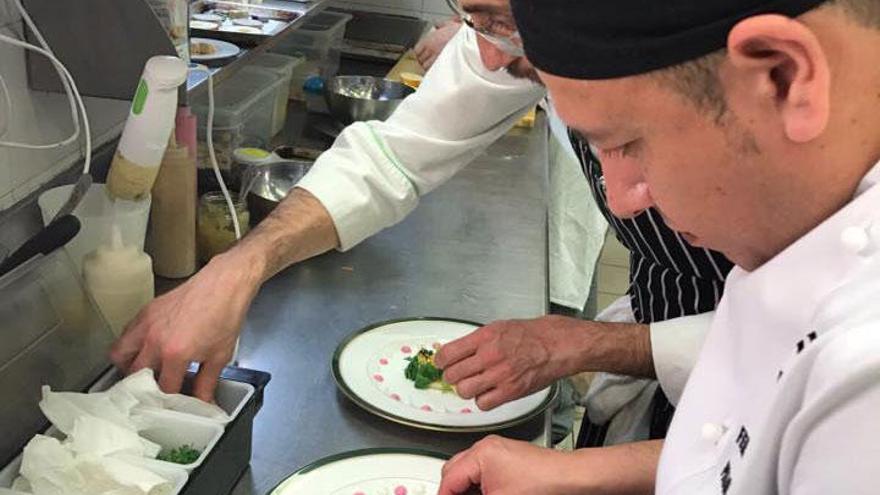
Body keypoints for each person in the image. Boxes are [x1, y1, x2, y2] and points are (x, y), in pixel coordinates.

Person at [113, 0, 731, 450]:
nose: (488, 54)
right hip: (660, 361)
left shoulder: (724, 64)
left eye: (505, 21)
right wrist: (237, 268)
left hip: (757, 383)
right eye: (472, 17)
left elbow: (814, 325)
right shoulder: (513, 37)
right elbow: (395, 156)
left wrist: (595, 344)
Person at [438, 0, 880, 493]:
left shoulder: (864, 376)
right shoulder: (792, 234)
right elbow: (752, 445)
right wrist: (575, 473)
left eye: (626, 144)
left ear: (782, 74)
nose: (622, 202)